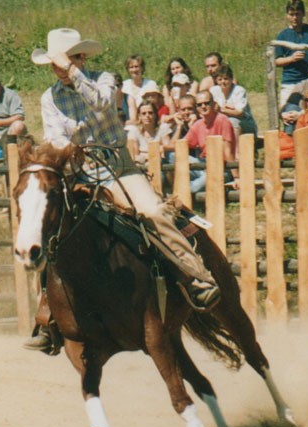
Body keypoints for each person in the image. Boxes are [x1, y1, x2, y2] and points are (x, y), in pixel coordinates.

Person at [26, 27, 220, 349]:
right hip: (80, 173)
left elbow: (101, 103)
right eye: (54, 63)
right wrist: (67, 150)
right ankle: (47, 316)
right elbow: (54, 135)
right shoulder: (49, 97)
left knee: (153, 212)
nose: (55, 69)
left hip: (117, 168)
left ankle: (197, 277)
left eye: (61, 62)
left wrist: (73, 73)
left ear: (79, 58)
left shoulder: (104, 80)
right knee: (50, 226)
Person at [185, 91, 239, 193]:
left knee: (194, 187)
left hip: (221, 167)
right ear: (196, 108)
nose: (203, 106)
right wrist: (162, 147)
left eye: (206, 103)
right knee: (171, 155)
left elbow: (228, 151)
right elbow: (182, 143)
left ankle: (179, 192)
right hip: (203, 165)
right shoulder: (198, 124)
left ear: (213, 104)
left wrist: (236, 177)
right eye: (199, 104)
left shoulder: (222, 120)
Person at [274, 0, 308, 106]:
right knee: (287, 111)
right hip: (290, 81)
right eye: (291, 14)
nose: (295, 18)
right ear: (287, 15)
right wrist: (291, 58)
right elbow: (276, 61)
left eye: (297, 14)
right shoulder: (282, 35)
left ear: (303, 14)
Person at [209, 64, 258, 141]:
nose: (223, 82)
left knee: (232, 121)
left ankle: (235, 148)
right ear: (216, 81)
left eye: (226, 79)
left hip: (245, 124)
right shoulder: (213, 90)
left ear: (231, 79)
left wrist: (221, 110)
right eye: (220, 79)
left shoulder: (239, 91)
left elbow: (239, 113)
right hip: (223, 123)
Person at [122, 55, 155, 123]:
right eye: (131, 67)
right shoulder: (124, 85)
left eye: (136, 66)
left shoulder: (151, 84)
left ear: (142, 68)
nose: (134, 70)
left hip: (147, 121)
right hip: (128, 121)